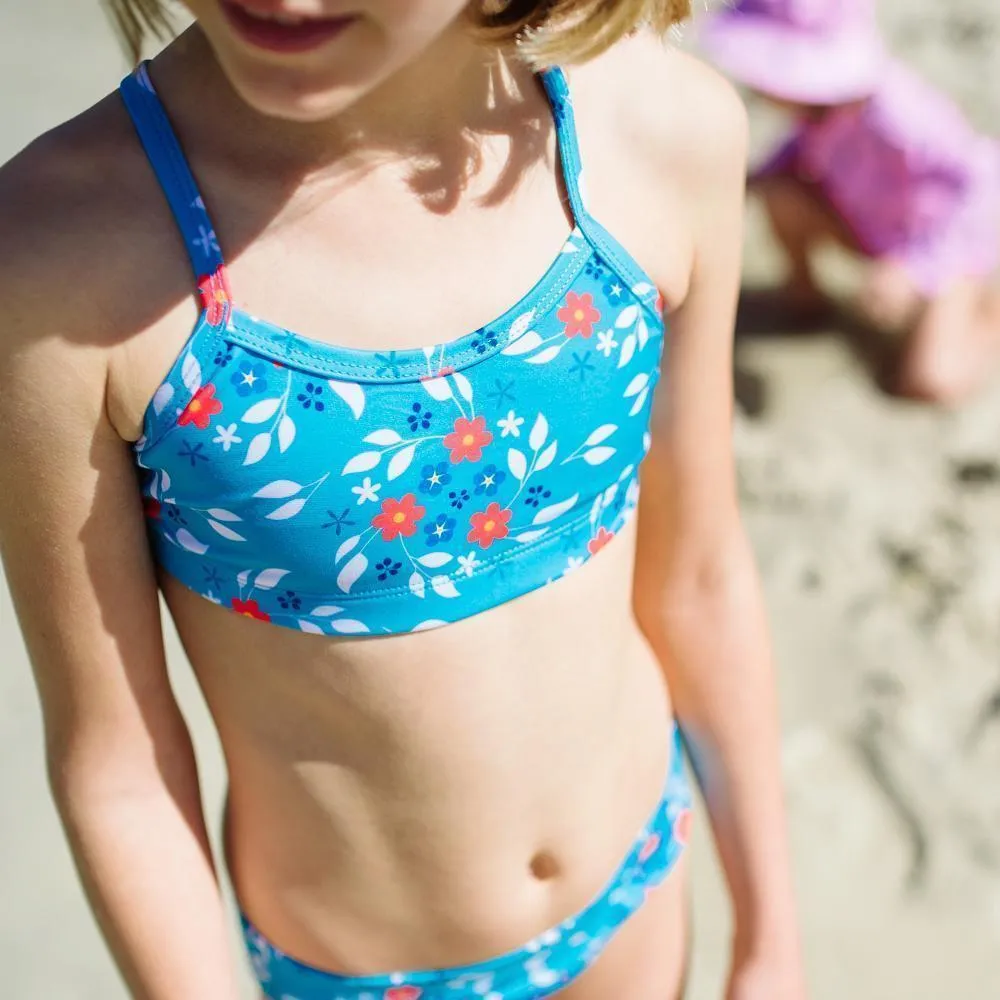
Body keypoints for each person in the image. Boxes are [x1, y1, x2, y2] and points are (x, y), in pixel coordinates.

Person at [0, 2, 804, 998]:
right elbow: (117, 761)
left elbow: (700, 576)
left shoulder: (660, 132)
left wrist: (770, 936)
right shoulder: (60, 260)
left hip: (639, 891)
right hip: (354, 968)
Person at [701, 0, 1000, 404]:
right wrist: (755, 178)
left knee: (930, 382)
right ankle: (804, 296)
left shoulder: (900, 115)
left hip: (938, 249)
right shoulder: (817, 111)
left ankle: (988, 318)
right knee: (779, 193)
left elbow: (984, 183)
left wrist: (915, 270)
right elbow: (803, 151)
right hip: (866, 228)